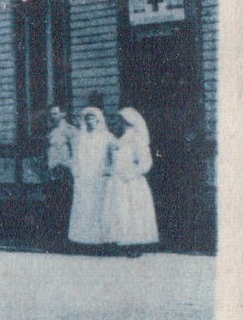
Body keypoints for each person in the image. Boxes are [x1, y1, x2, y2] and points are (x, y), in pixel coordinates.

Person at [102, 107, 159, 254]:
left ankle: (135, 244)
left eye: (122, 120)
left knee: (133, 212)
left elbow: (146, 162)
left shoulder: (136, 139)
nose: (119, 123)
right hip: (118, 180)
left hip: (131, 182)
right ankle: (122, 242)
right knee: (120, 211)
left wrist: (132, 174)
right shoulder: (118, 139)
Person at [66, 107, 111, 248]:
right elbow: (75, 157)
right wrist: (76, 172)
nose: (90, 122)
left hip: (99, 176)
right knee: (84, 206)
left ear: (98, 120)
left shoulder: (106, 137)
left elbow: (114, 154)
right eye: (88, 119)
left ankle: (100, 240)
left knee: (99, 207)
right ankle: (83, 239)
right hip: (84, 177)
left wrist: (108, 169)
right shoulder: (81, 137)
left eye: (93, 119)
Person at [44, 106, 78, 245]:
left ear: (62, 114)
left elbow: (75, 152)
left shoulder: (70, 131)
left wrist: (68, 166)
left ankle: (66, 239)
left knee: (65, 205)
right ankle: (56, 240)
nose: (53, 116)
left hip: (65, 172)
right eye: (51, 114)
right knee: (54, 205)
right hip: (53, 172)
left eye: (56, 113)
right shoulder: (50, 132)